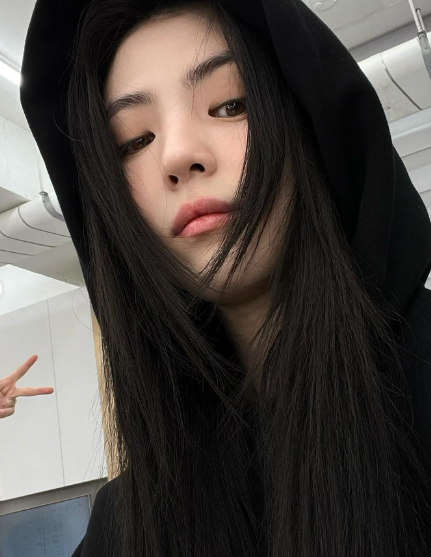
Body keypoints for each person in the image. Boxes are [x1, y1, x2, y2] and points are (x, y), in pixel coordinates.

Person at [19, 0, 431, 556]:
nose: (177, 155)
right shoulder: (131, 525)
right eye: (134, 142)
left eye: (230, 105)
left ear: (309, 123)